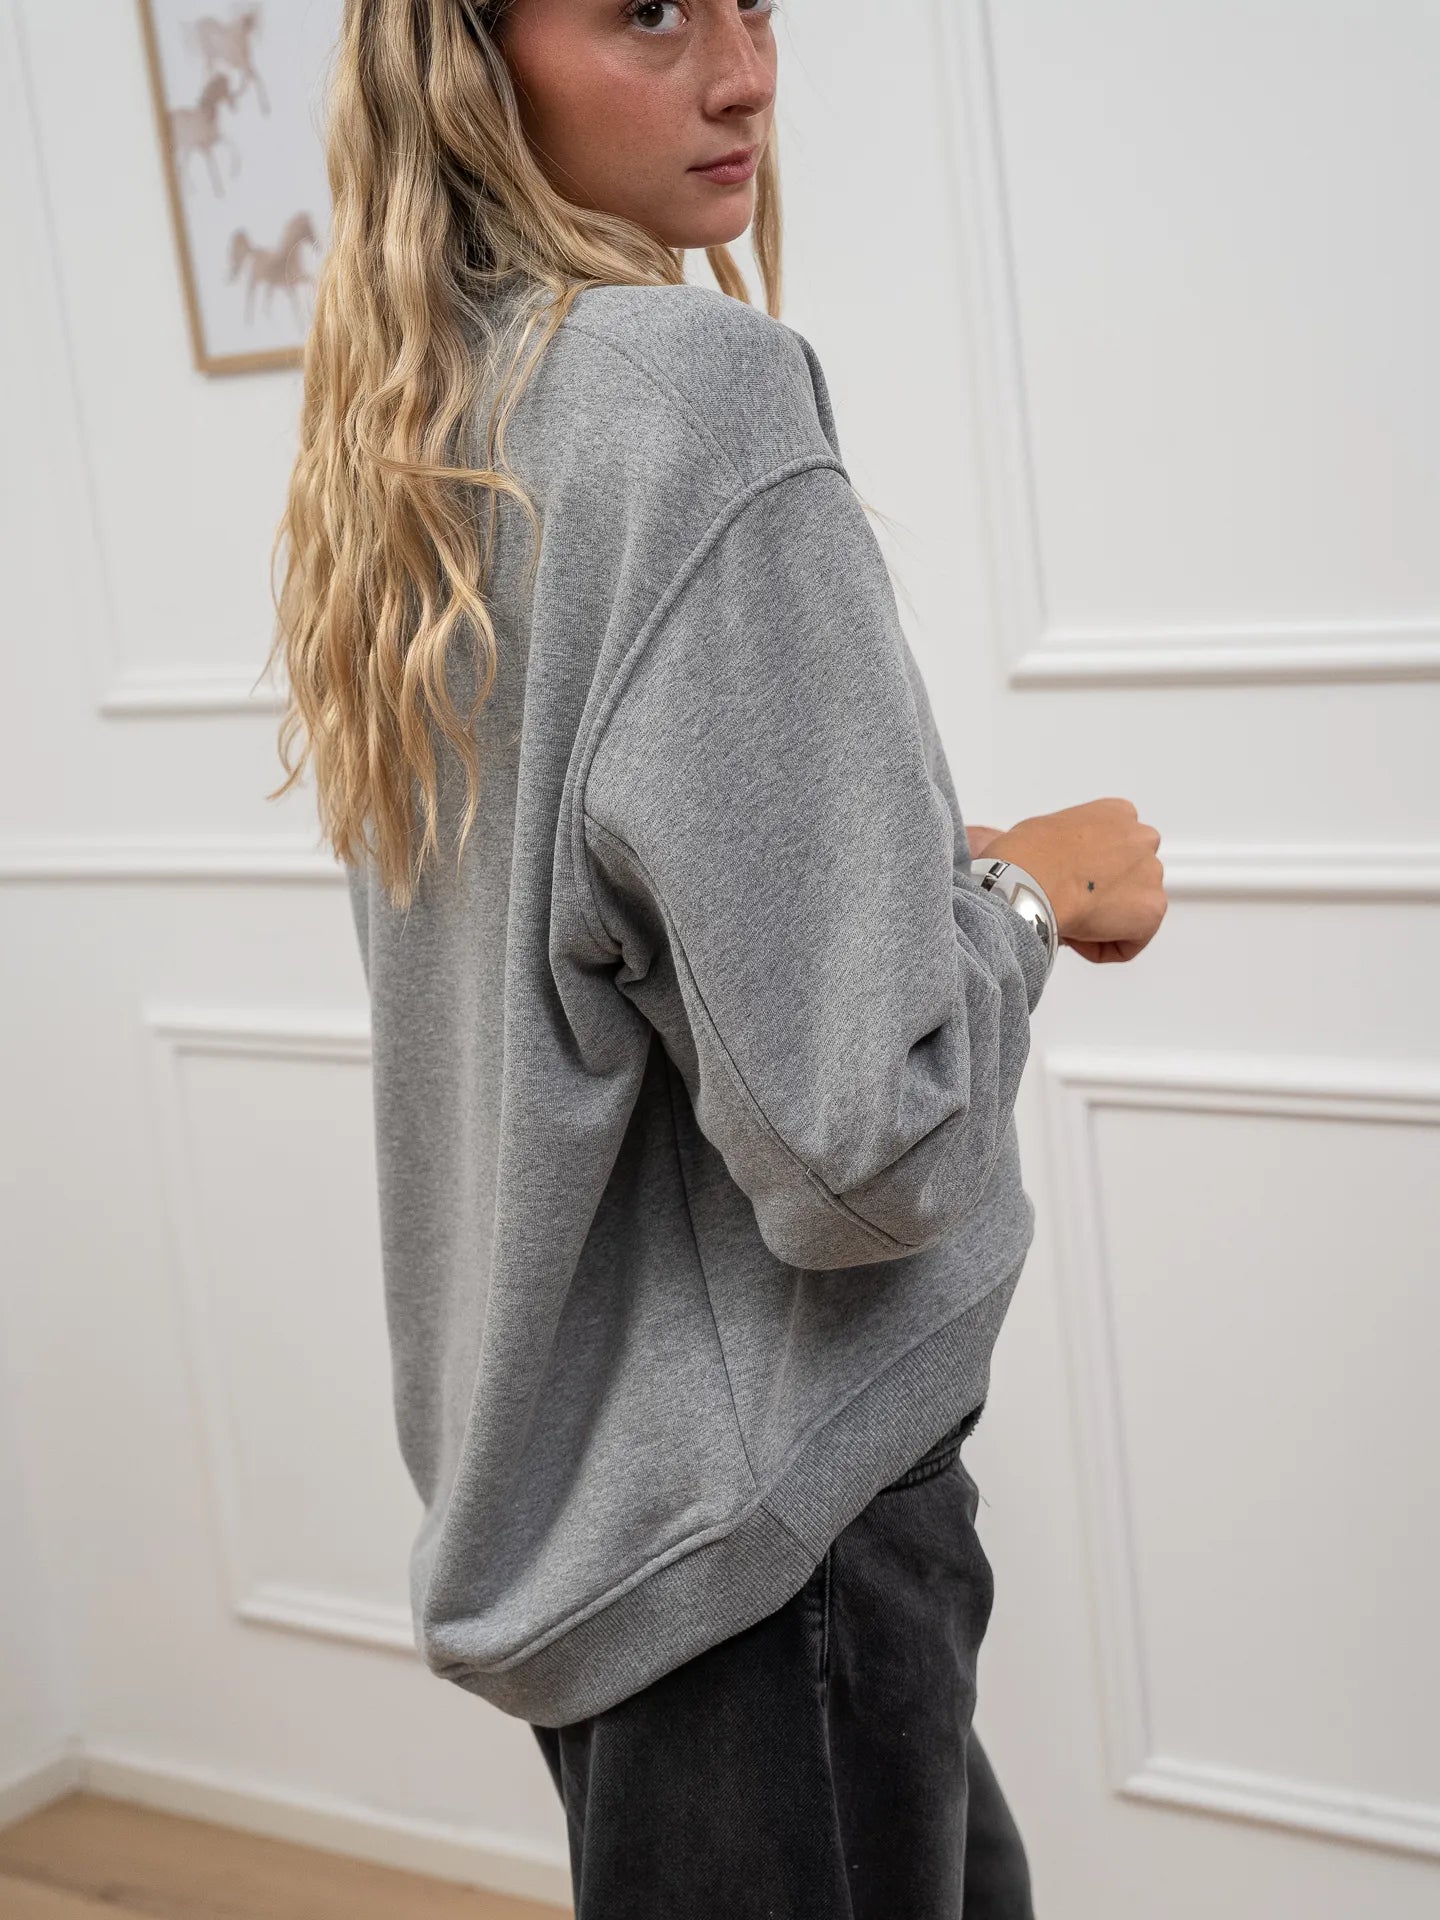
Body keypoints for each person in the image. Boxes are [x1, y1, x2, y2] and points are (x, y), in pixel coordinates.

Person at [264, 1, 1167, 1914]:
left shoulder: (422, 414)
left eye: (757, 1)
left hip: (603, 1511)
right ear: (470, 50)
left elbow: (591, 928)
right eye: (652, 9)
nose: (746, 70)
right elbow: (864, 1151)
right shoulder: (689, 396)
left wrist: (916, 870)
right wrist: (1032, 903)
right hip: (764, 1555)